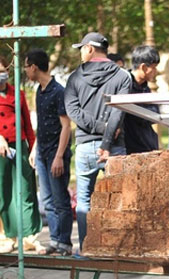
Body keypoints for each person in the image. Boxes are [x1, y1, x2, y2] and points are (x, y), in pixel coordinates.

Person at [64, 32, 132, 249]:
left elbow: (73, 111)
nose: (81, 53)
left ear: (89, 49)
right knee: (119, 199)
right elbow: (118, 111)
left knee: (84, 200)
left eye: (81, 49)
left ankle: (86, 249)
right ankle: (117, 250)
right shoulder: (123, 76)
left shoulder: (74, 78)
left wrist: (97, 129)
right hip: (114, 147)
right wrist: (106, 138)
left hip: (85, 146)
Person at [0, 55, 42, 253]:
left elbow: (28, 125)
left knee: (25, 190)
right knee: (2, 192)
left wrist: (33, 148)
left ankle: (29, 237)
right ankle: (6, 238)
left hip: (20, 146)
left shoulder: (19, 94)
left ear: (8, 72)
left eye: (2, 71)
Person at [24, 48, 73, 256]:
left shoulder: (58, 91)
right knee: (47, 200)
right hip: (42, 153)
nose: (26, 71)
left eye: (26, 67)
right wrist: (35, 148)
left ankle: (65, 243)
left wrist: (59, 156)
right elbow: (42, 125)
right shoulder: (39, 91)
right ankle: (54, 240)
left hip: (56, 153)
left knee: (60, 200)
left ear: (34, 67)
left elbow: (66, 126)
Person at [124, 45, 160, 154]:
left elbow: (155, 113)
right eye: (154, 67)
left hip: (147, 145)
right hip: (131, 148)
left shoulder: (145, 88)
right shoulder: (125, 85)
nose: (156, 71)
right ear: (144, 67)